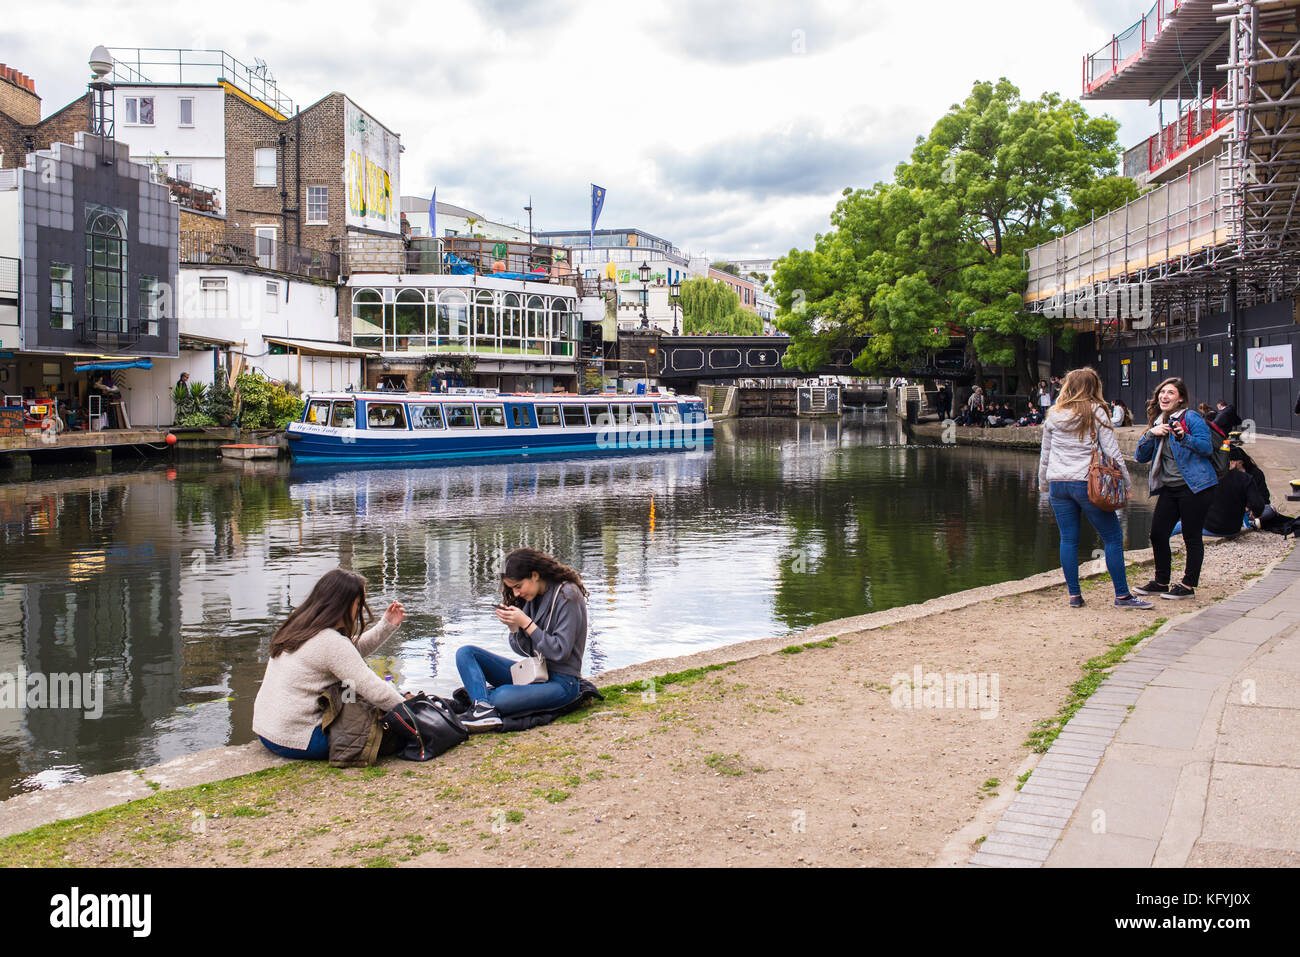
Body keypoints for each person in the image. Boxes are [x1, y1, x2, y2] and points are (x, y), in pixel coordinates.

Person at [252, 568, 407, 759]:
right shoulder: (330, 642)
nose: (360, 609)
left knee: (356, 693)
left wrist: (386, 626)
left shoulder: (300, 626)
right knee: (388, 732)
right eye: (358, 603)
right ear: (344, 604)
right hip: (301, 739)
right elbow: (374, 690)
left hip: (269, 731)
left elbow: (347, 654)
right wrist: (411, 710)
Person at [1037, 368, 1151, 609]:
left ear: (1068, 385)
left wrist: (1043, 483)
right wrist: (1126, 484)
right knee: (1112, 536)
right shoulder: (1097, 412)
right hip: (1086, 483)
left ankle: (1074, 596)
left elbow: (1045, 454)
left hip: (1058, 483)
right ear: (1093, 387)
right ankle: (1122, 595)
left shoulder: (1054, 414)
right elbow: (1113, 453)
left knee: (1068, 539)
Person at [455, 548, 589, 731]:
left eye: (518, 586)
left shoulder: (568, 595)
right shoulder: (533, 597)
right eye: (512, 589)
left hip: (563, 682)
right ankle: (483, 708)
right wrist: (514, 628)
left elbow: (560, 652)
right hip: (534, 672)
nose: (516, 593)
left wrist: (526, 623)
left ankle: (481, 700)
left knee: (500, 697)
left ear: (534, 575)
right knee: (466, 653)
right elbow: (525, 650)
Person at [1134, 377, 1219, 599]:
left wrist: (1184, 437)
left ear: (1180, 398)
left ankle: (1188, 586)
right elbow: (1140, 456)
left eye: (1171, 393)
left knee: (1191, 536)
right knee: (1158, 534)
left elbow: (1206, 447)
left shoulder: (1190, 417)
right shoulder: (1157, 422)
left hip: (1195, 486)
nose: (1165, 396)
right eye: (1162, 392)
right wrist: (1151, 434)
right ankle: (1161, 582)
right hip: (1170, 488)